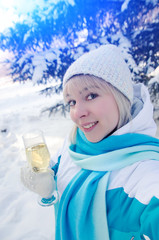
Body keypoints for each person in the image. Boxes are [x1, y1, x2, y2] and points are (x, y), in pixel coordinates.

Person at [21, 44, 159, 240]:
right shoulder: (73, 145)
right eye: (72, 102)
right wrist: (46, 185)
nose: (78, 113)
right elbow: (55, 169)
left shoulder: (145, 171)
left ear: (121, 96)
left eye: (91, 95)